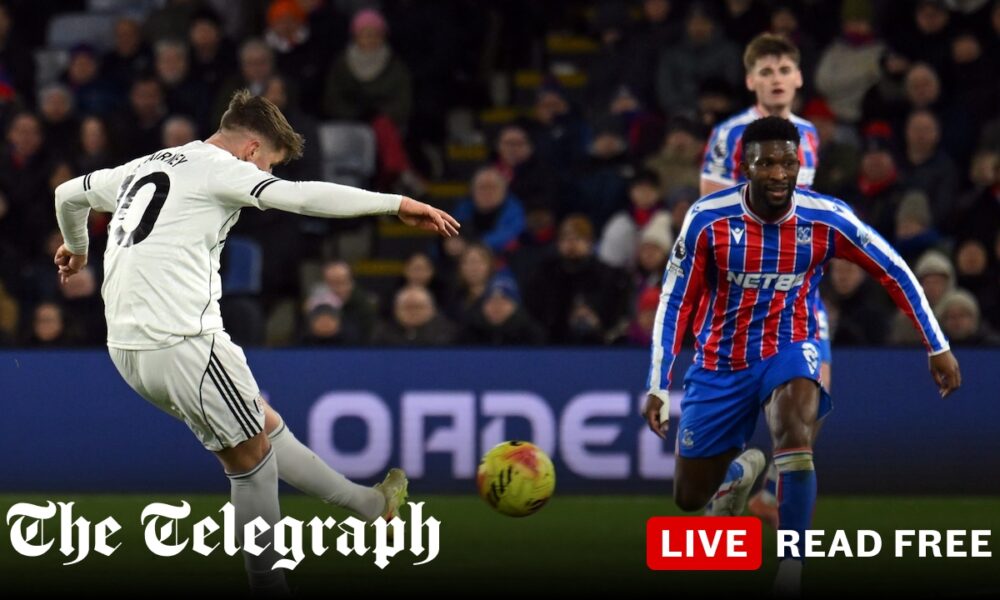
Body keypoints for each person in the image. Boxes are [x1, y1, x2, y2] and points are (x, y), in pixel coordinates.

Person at [53, 90, 459, 595]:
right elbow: (305, 197)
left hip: (128, 349)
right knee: (252, 460)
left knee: (262, 426)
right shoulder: (225, 169)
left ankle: (371, 505)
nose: (266, 173)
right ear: (250, 150)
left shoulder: (145, 165)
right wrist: (396, 203)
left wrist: (76, 246)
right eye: (269, 163)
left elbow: (68, 193)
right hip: (182, 342)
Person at [643, 117, 960, 596]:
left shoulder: (826, 217)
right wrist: (657, 382)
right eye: (765, 162)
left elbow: (893, 269)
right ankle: (735, 475)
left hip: (790, 347)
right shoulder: (708, 220)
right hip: (719, 362)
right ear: (744, 166)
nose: (777, 172)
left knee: (796, 429)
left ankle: (791, 571)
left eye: (788, 162)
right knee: (690, 498)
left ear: (800, 165)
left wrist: (936, 344)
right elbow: (675, 301)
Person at [699, 33, 829, 527]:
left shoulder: (810, 133)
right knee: (739, 406)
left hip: (801, 289)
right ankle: (734, 473)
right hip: (744, 291)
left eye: (784, 70)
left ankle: (772, 497)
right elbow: (707, 207)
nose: (776, 79)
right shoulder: (731, 134)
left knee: (812, 399)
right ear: (751, 79)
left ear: (799, 77)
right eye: (766, 72)